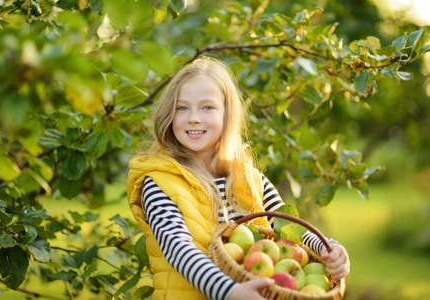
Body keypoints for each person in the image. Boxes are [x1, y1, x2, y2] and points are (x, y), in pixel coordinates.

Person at [127, 56, 350, 300]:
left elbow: (288, 228)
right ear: (169, 114)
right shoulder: (159, 183)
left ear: (227, 115)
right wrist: (230, 292)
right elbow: (179, 250)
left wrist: (327, 248)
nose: (193, 117)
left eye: (207, 107)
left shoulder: (250, 179)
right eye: (182, 108)